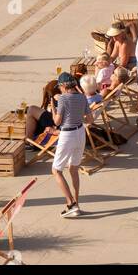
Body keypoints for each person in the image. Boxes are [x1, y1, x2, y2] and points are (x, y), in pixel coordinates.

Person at [52, 73, 90, 217]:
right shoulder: (82, 97)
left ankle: (71, 203)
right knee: (73, 170)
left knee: (56, 170)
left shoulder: (62, 99)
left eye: (60, 87)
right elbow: (90, 119)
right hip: (80, 132)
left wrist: (54, 108)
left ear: (63, 86)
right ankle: (77, 205)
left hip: (67, 134)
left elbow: (57, 122)